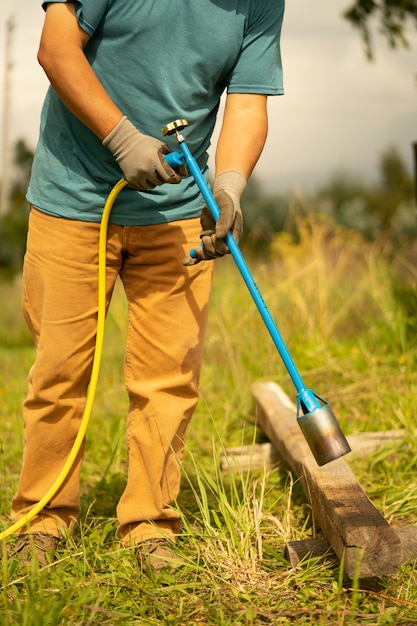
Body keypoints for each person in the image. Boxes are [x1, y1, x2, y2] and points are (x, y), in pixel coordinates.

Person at [11, 0, 285, 571]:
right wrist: (120, 138)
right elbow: (56, 49)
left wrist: (229, 188)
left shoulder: (260, 3)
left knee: (169, 377)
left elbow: (247, 102)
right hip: (74, 201)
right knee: (60, 371)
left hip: (179, 212)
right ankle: (42, 519)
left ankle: (150, 526)